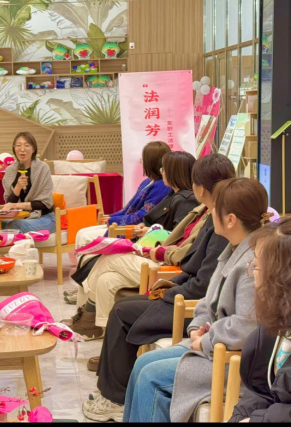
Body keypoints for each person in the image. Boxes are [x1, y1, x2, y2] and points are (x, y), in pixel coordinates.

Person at [82, 154, 235, 421]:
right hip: (186, 295)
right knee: (120, 304)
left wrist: (168, 291)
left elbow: (203, 285)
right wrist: (167, 286)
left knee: (121, 312)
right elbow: (195, 269)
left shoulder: (221, 224)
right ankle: (111, 390)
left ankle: (115, 398)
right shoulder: (211, 216)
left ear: (200, 187)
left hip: (189, 306)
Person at [118, 178, 268, 423]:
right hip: (214, 346)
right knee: (142, 363)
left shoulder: (254, 263)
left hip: (233, 360)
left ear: (231, 220)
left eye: (214, 209)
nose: (210, 213)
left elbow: (246, 326)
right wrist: (196, 328)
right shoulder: (233, 249)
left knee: (150, 377)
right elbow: (207, 301)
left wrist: (205, 339)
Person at [63, 153, 232, 340]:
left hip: (167, 266)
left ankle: (86, 311)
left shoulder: (201, 210)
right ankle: (99, 329)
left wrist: (155, 250)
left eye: (164, 169)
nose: (161, 172)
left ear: (201, 187)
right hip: (161, 255)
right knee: (106, 280)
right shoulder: (197, 207)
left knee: (107, 259)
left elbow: (187, 252)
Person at [228, 217, 291, 422]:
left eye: (256, 266)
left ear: (281, 277)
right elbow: (259, 391)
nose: (252, 276)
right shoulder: (274, 325)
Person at [1, 132, 56, 234]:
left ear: (33, 149)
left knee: (15, 226)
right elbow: (9, 203)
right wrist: (18, 187)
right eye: (18, 145)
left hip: (44, 218)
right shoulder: (10, 170)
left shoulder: (42, 168)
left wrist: (17, 206)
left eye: (26, 145)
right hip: (20, 217)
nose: (22, 149)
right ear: (14, 149)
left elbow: (44, 203)